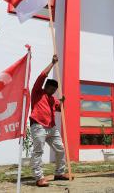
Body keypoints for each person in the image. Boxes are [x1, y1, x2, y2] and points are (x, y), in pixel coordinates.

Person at [30, 55, 72, 187]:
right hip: (38, 126)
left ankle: (59, 173)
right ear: (46, 86)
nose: (53, 91)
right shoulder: (37, 92)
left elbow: (60, 109)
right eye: (51, 89)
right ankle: (39, 177)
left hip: (52, 128)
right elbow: (42, 76)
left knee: (60, 149)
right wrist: (52, 63)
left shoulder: (53, 99)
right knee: (38, 151)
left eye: (55, 90)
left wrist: (62, 103)